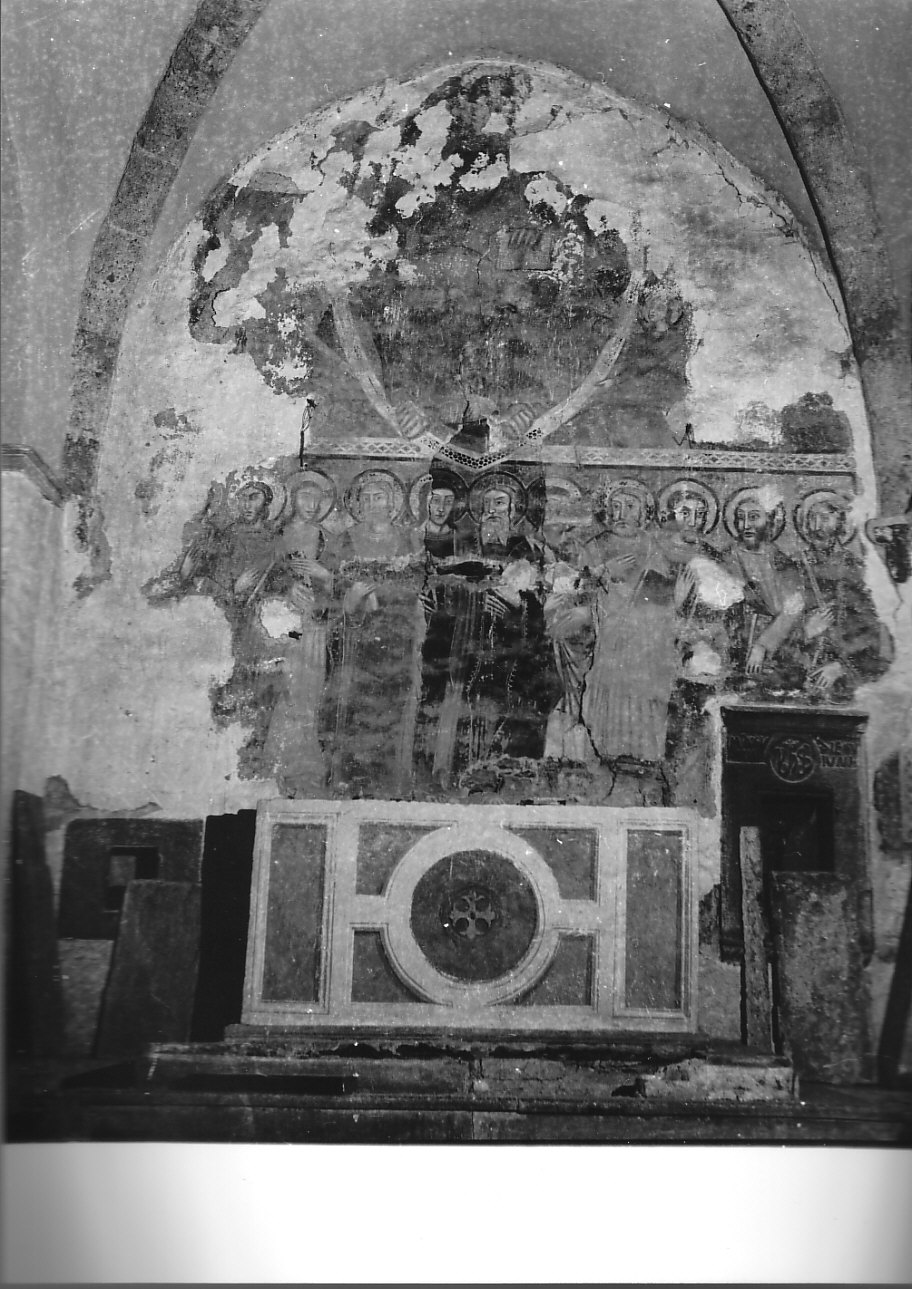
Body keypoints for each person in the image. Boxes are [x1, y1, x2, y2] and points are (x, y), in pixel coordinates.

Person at [321, 470, 424, 797]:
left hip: (397, 640)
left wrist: (382, 596)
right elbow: (326, 589)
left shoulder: (409, 540)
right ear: (356, 505)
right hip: (354, 641)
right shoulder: (343, 541)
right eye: (365, 498)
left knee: (393, 708)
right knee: (352, 707)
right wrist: (349, 602)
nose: (371, 503)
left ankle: (388, 781)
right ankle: (351, 779)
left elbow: (417, 583)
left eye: (379, 497)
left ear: (392, 502)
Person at [579, 478, 678, 767]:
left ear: (645, 513)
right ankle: (603, 751)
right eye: (616, 507)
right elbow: (574, 589)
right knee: (607, 688)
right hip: (606, 639)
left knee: (641, 690)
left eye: (630, 506)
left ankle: (642, 756)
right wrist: (602, 572)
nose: (621, 514)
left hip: (644, 645)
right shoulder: (595, 547)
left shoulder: (654, 548)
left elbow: (663, 599)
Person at [261, 478, 335, 796]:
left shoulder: (327, 539)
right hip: (284, 626)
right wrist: (286, 589)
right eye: (305, 496)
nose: (311, 504)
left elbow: (335, 584)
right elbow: (263, 579)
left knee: (310, 691)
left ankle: (306, 764)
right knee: (287, 687)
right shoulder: (277, 536)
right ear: (292, 498)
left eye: (317, 499)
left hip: (314, 626)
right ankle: (279, 762)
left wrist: (324, 579)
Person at [793, 490, 892, 698]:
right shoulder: (794, 568)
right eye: (812, 518)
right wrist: (804, 632)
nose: (818, 525)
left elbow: (875, 634)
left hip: (845, 678)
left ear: (841, 522)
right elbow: (774, 627)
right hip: (799, 672)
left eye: (826, 517)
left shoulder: (857, 570)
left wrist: (841, 666)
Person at [721, 485, 806, 689]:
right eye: (741, 517)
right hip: (733, 644)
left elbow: (792, 609)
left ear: (769, 520)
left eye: (754, 517)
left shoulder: (781, 562)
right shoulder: (727, 558)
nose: (746, 524)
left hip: (773, 649)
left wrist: (762, 645)